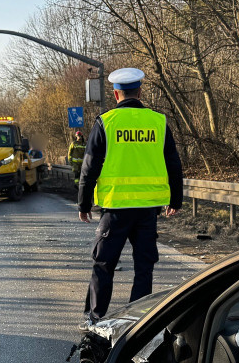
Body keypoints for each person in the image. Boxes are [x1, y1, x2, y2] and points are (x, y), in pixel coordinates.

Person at [78, 67, 182, 326]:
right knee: (144, 267)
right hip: (148, 209)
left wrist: (83, 202)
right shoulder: (158, 122)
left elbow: (89, 167)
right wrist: (176, 199)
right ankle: (137, 321)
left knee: (103, 264)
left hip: (116, 209)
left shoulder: (106, 122)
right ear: (140, 90)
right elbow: (173, 163)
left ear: (116, 94)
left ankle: (96, 319)